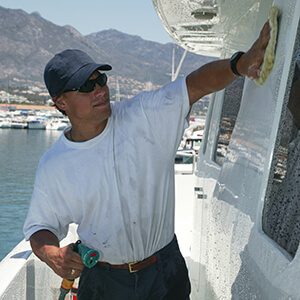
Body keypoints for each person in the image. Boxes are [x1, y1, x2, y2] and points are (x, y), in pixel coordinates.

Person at [23, 21, 271, 299]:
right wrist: (51, 254)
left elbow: (195, 85)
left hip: (164, 269)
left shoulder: (143, 115)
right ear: (61, 102)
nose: (100, 90)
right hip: (103, 281)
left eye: (100, 79)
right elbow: (40, 226)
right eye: (85, 85)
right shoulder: (55, 164)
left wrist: (239, 65)